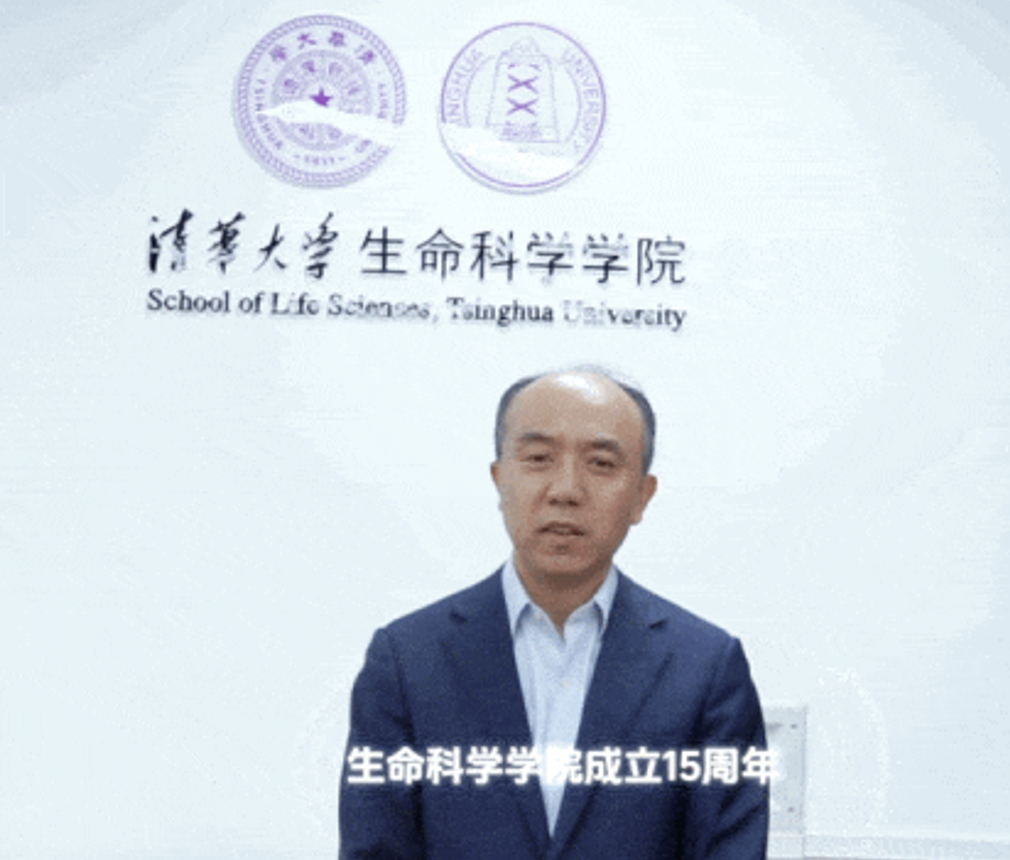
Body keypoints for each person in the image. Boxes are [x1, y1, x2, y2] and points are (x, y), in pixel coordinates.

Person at [339, 367, 769, 860]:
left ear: (641, 497)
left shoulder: (705, 668)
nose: (565, 490)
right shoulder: (407, 660)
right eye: (539, 458)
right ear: (500, 479)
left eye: (601, 463)